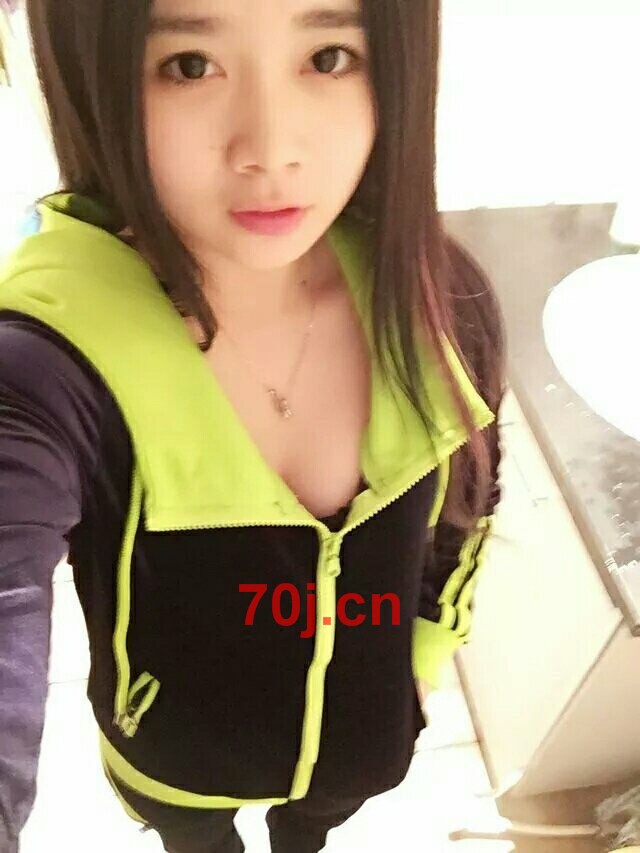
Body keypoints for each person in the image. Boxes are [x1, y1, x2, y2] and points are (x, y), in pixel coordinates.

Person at [0, 1, 508, 851]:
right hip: (177, 763)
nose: (271, 150)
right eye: (189, 65)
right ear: (95, 78)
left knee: (309, 832)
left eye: (330, 56)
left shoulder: (438, 301)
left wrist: (422, 658)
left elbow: (468, 512)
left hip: (359, 748)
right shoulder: (48, 361)